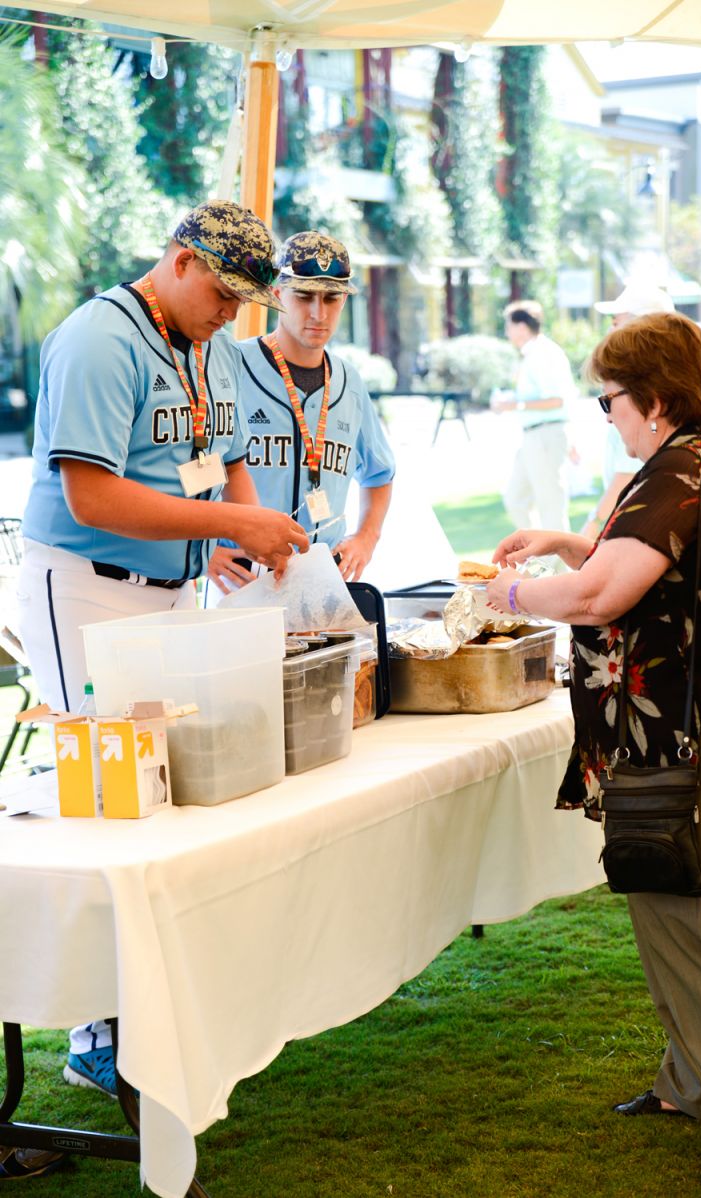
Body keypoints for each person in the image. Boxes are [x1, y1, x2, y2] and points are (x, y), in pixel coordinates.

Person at [485, 312, 701, 1190]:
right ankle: (691, 1083)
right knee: (664, 911)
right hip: (690, 731)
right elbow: (639, 561)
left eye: (610, 400)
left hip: (692, 738)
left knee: (698, 925)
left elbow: (598, 595)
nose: (606, 415)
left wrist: (508, 589)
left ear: (653, 400)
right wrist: (562, 543)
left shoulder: (685, 468)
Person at [13, 200, 309, 1126]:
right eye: (222, 293)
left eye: (244, 302)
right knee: (110, 802)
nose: (232, 313)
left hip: (173, 588)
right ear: (177, 262)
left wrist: (242, 527)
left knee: (166, 791)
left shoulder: (208, 339)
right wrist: (232, 523)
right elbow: (94, 496)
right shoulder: (100, 338)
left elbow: (220, 461)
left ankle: (153, 1009)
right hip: (86, 586)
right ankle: (97, 1040)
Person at [207, 230, 395, 595]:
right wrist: (205, 551)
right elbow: (190, 466)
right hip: (241, 578)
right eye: (304, 295)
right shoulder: (229, 364)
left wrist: (366, 538)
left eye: (331, 298)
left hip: (323, 578)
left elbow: (379, 473)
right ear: (277, 294)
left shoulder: (348, 381)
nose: (318, 313)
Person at [582, 281, 675, 540]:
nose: (609, 417)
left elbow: (627, 474)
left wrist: (594, 525)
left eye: (615, 322)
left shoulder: (643, 388)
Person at [491, 300, 575, 535]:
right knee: (515, 498)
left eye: (508, 326)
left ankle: (557, 566)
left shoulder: (544, 353)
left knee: (551, 506)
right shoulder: (532, 354)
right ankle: (541, 560)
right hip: (532, 436)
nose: (507, 333)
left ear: (521, 327)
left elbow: (557, 399)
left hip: (546, 434)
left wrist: (514, 404)